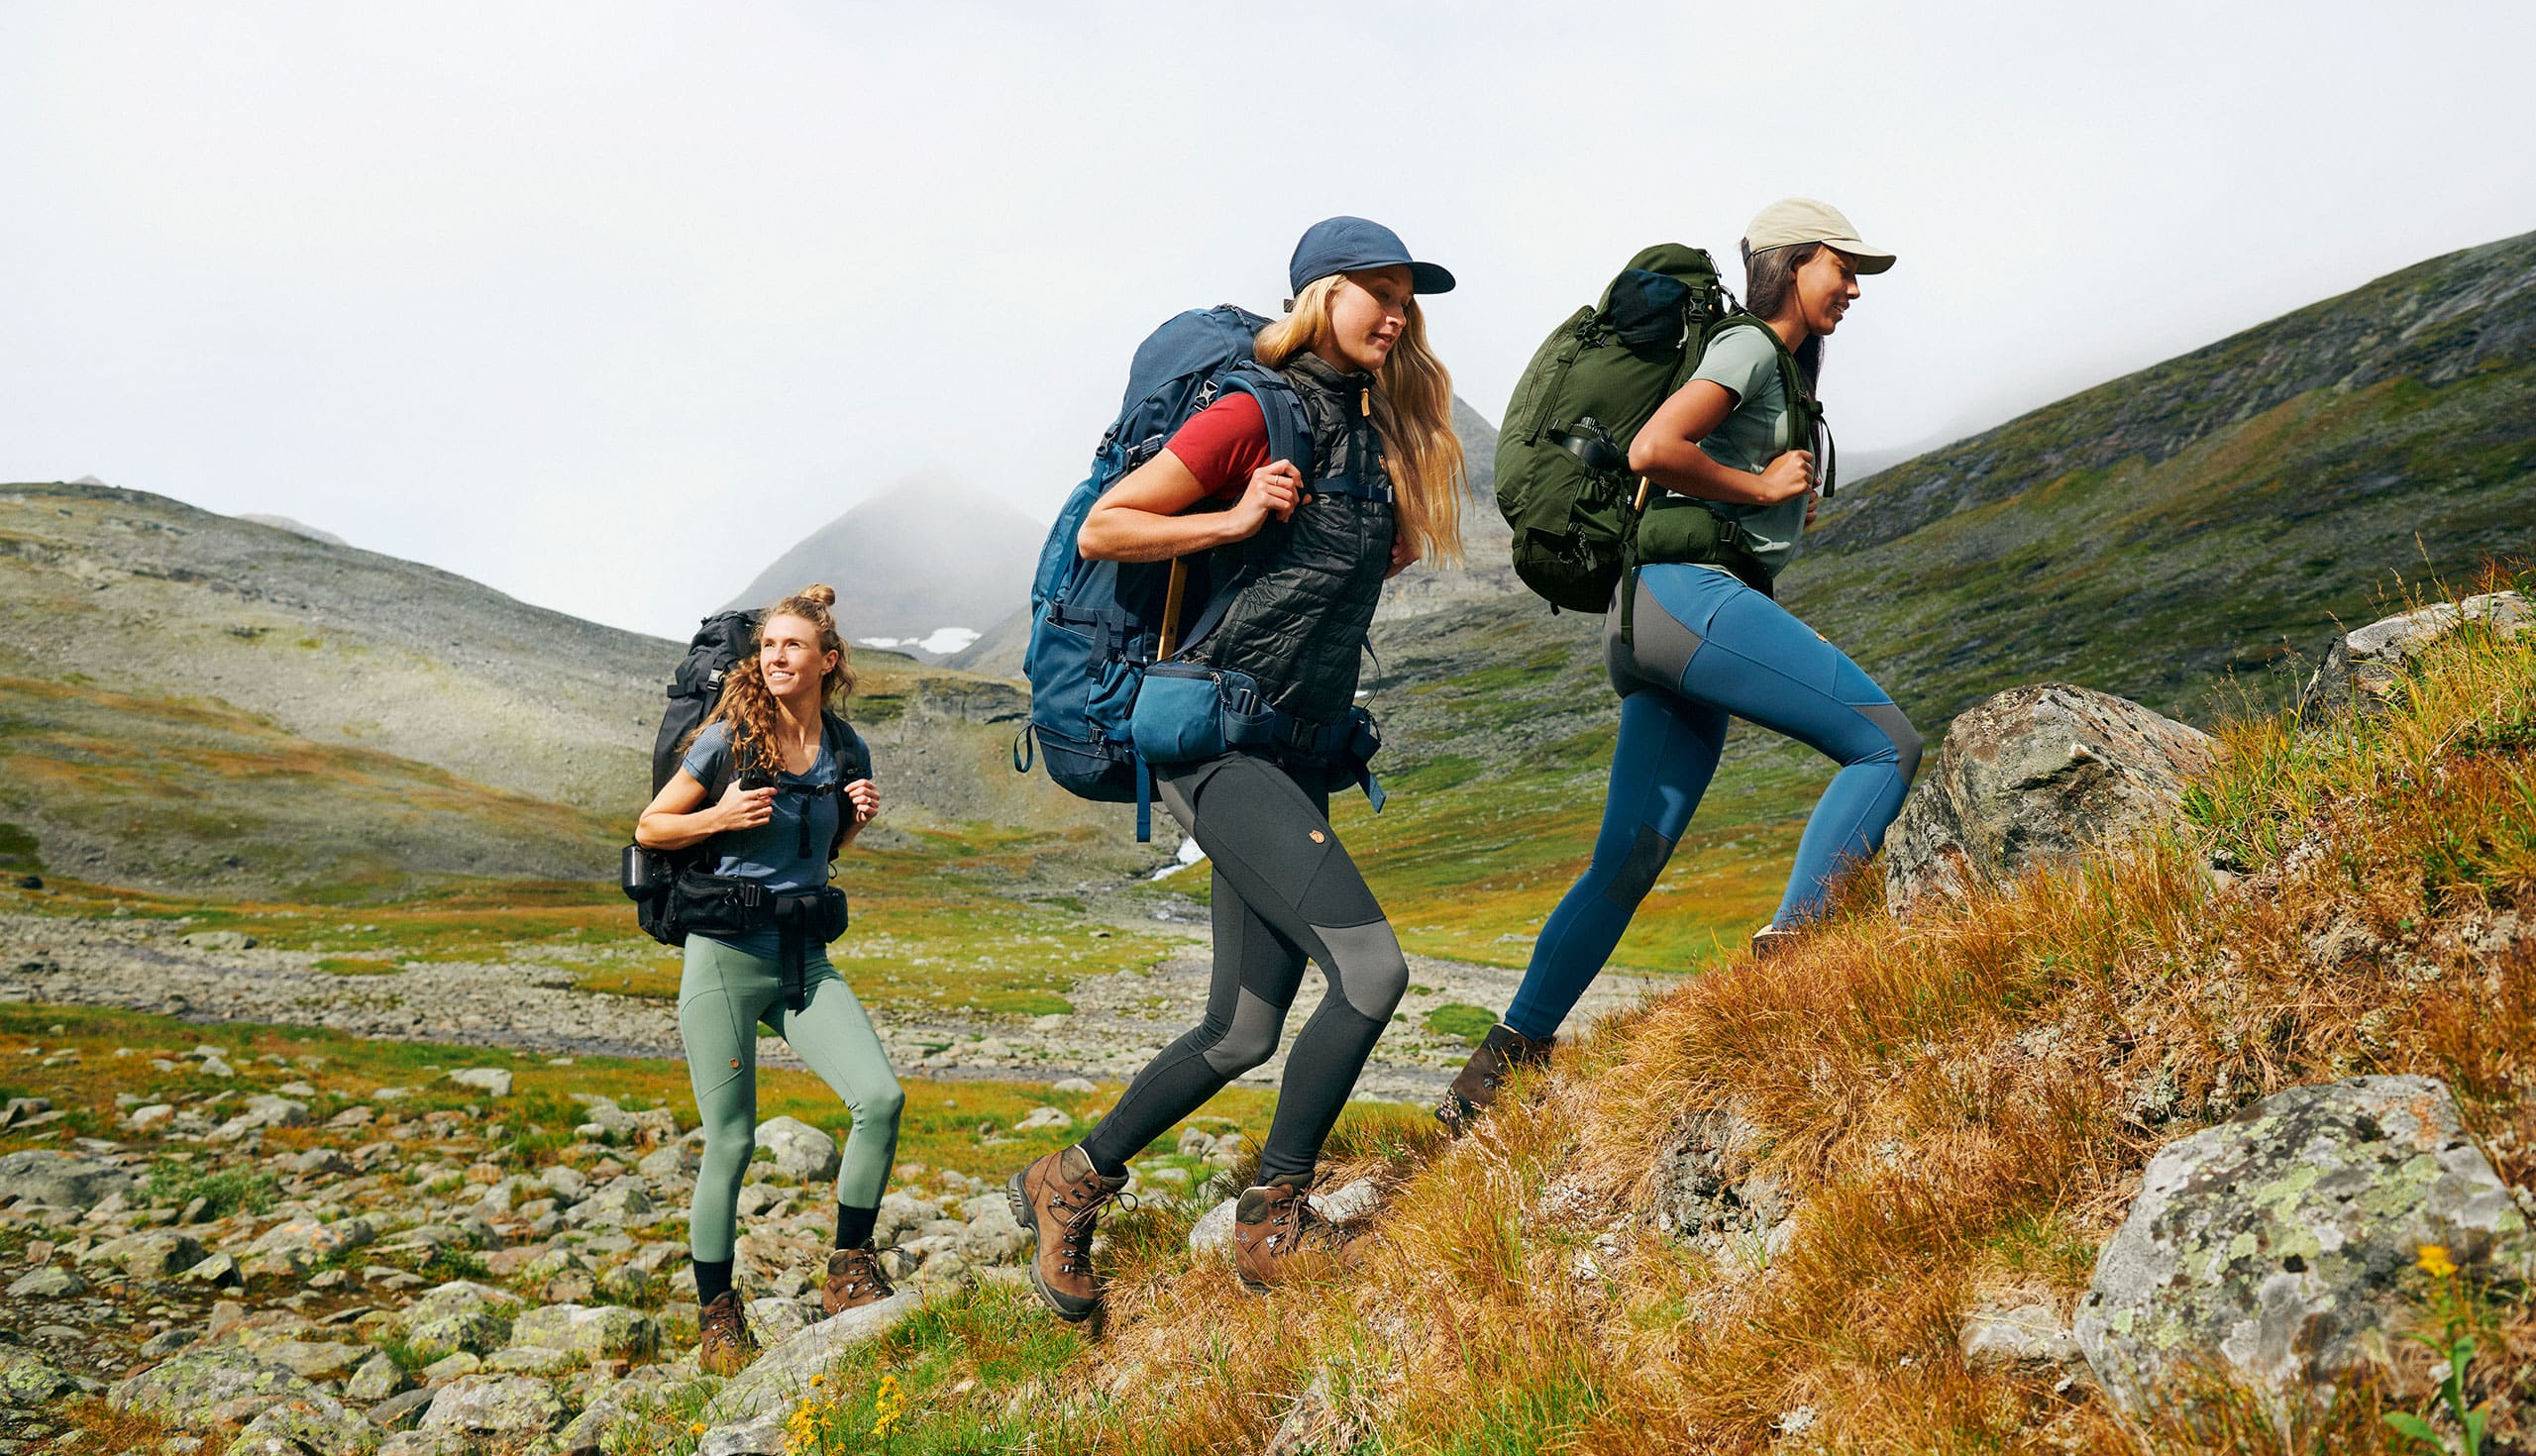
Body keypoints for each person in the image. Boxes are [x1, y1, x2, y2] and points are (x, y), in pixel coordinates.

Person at [1008, 217, 1466, 1315]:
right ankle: (1273, 1219)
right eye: (1375, 288)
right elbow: (1107, 530)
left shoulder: (1364, 433)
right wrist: (1230, 514)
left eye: (1407, 294)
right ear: (1317, 295)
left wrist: (1371, 547)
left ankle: (1067, 1181)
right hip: (1216, 742)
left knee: (1243, 1029)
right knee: (1371, 974)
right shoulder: (1251, 410)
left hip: (1291, 750)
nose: (1395, 310)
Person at [1437, 199, 1922, 1132]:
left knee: (1629, 858)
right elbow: (1655, 447)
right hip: (1685, 598)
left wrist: (1765, 502)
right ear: (1792, 263)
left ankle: (1499, 1069)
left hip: (1646, 618)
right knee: (1885, 746)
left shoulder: (1768, 363)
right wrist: (1758, 486)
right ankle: (1791, 963)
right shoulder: (1745, 347)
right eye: (1841, 266)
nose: (1854, 287)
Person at [633, 584, 901, 1375]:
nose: (777, 657)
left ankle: (849, 1268)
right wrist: (720, 815)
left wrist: (855, 818)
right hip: (721, 959)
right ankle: (719, 1315)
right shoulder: (726, 740)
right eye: (768, 646)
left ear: (828, 659)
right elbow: (652, 826)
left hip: (802, 959)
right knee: (733, 1139)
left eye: (792, 646)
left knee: (880, 1099)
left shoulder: (847, 748)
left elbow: (820, 853)